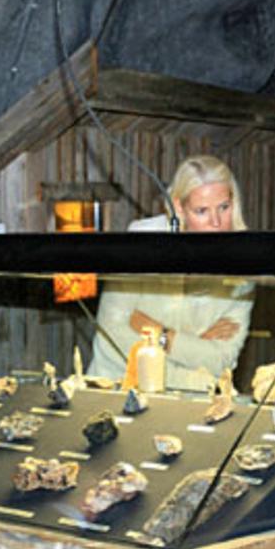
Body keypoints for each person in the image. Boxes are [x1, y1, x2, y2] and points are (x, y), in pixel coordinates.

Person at [87, 155, 254, 392]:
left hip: (189, 399)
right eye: (202, 211)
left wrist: (162, 336)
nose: (216, 222)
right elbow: (113, 333)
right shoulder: (143, 241)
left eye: (224, 207)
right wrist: (195, 371)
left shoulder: (244, 263)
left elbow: (220, 360)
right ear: (179, 208)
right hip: (115, 388)